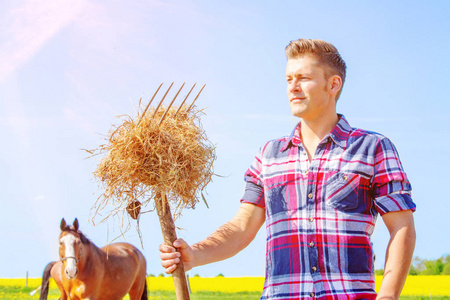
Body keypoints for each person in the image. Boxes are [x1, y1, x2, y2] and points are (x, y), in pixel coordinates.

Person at [159, 38, 416, 300]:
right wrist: (196, 254)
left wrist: (388, 296)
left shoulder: (372, 148)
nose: (293, 87)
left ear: (333, 84)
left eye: (303, 78)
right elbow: (241, 226)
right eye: (288, 79)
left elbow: (402, 227)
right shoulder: (268, 155)